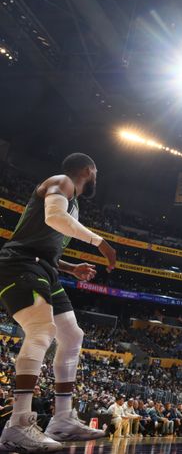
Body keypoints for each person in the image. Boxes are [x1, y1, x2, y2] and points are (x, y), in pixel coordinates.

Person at [0, 153, 115, 451]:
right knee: (41, 330)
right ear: (89, 170)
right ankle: (17, 424)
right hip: (20, 265)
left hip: (45, 268)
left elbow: (44, 240)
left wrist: (70, 268)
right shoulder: (61, 182)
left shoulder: (72, 203)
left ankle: (62, 419)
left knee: (72, 335)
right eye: (96, 172)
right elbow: (52, 217)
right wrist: (98, 241)